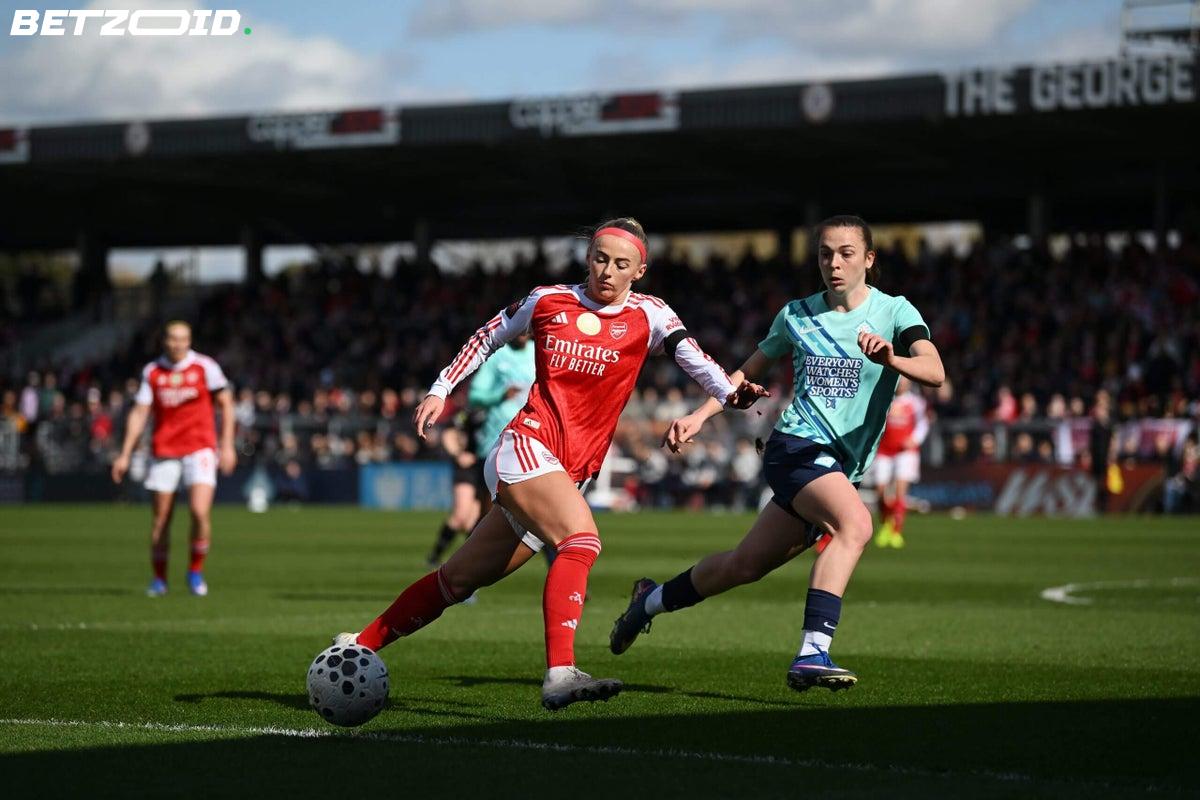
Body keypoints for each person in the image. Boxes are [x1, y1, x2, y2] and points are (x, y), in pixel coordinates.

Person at [335, 217, 765, 711]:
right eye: (599, 258)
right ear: (588, 258)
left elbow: (695, 358)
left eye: (620, 264)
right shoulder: (547, 300)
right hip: (524, 447)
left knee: (457, 580)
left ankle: (359, 644)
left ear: (639, 270)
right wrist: (440, 390)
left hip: (569, 473)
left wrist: (730, 392)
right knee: (581, 540)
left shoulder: (652, 315)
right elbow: (487, 335)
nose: (607, 270)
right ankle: (560, 673)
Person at [610, 215, 944, 693]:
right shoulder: (796, 314)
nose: (834, 263)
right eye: (825, 253)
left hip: (837, 467)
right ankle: (812, 651)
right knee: (855, 526)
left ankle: (649, 601)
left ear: (869, 260)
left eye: (847, 253)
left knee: (742, 566)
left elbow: (934, 371)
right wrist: (700, 415)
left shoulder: (895, 312)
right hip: (795, 448)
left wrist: (891, 358)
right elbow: (744, 372)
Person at [111, 321, 236, 597]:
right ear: (164, 340)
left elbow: (226, 404)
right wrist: (124, 454)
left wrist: (227, 445)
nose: (178, 344)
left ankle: (195, 571)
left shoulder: (206, 367)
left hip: (200, 448)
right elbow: (140, 413)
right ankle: (159, 580)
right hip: (164, 450)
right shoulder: (153, 371)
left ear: (189, 340)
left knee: (199, 512)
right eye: (173, 339)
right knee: (161, 519)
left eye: (184, 339)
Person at [425, 332, 535, 567]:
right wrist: (500, 395)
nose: (525, 333)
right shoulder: (498, 358)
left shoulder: (541, 351)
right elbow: (475, 398)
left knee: (527, 515)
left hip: (534, 439)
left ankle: (466, 567)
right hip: (494, 447)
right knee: (473, 516)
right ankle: (458, 566)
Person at [871, 375, 929, 548]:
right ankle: (885, 523)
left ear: (909, 382)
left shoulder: (916, 402)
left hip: (905, 452)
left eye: (904, 380)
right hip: (884, 450)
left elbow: (923, 424)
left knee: (899, 492)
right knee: (880, 492)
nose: (902, 383)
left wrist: (915, 439)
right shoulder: (884, 397)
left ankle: (895, 530)